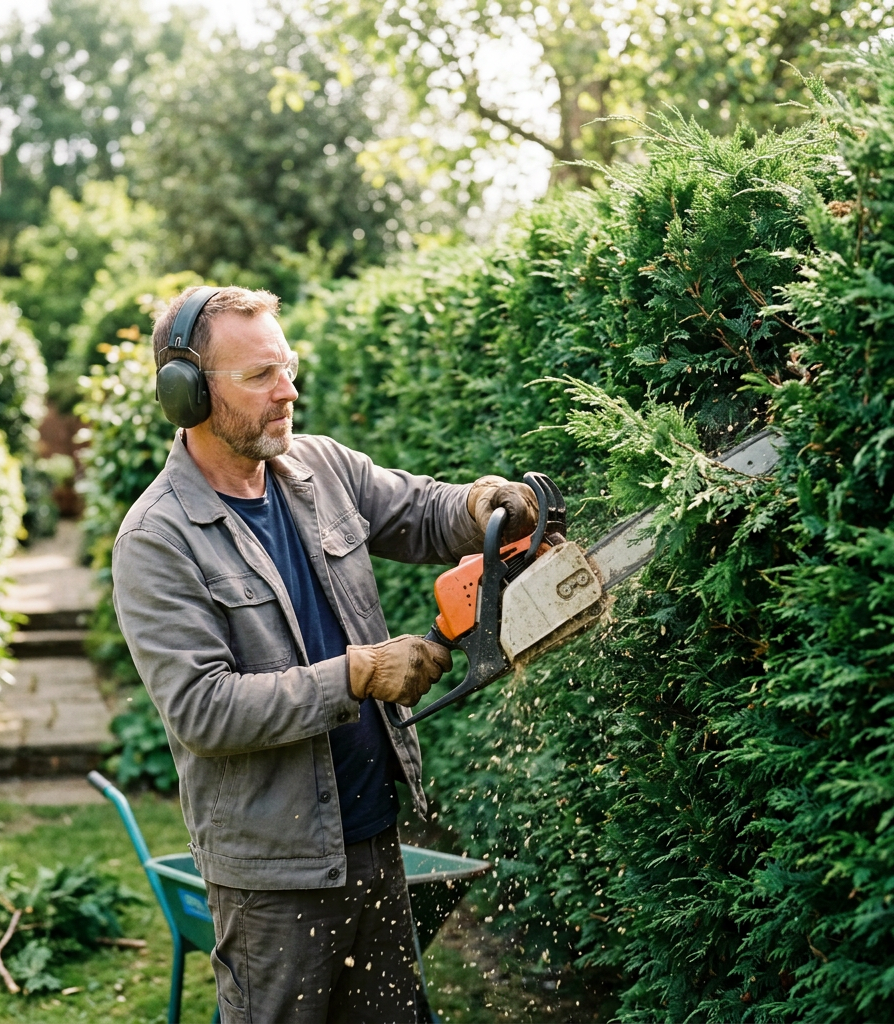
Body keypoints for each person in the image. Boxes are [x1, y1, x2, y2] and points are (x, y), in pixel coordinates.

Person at [112, 285, 539, 1024]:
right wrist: (358, 674)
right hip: (272, 875)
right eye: (260, 376)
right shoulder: (158, 538)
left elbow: (416, 510)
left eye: (289, 365)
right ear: (187, 394)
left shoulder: (320, 469)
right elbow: (202, 710)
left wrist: (479, 505)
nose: (290, 390)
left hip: (372, 838)